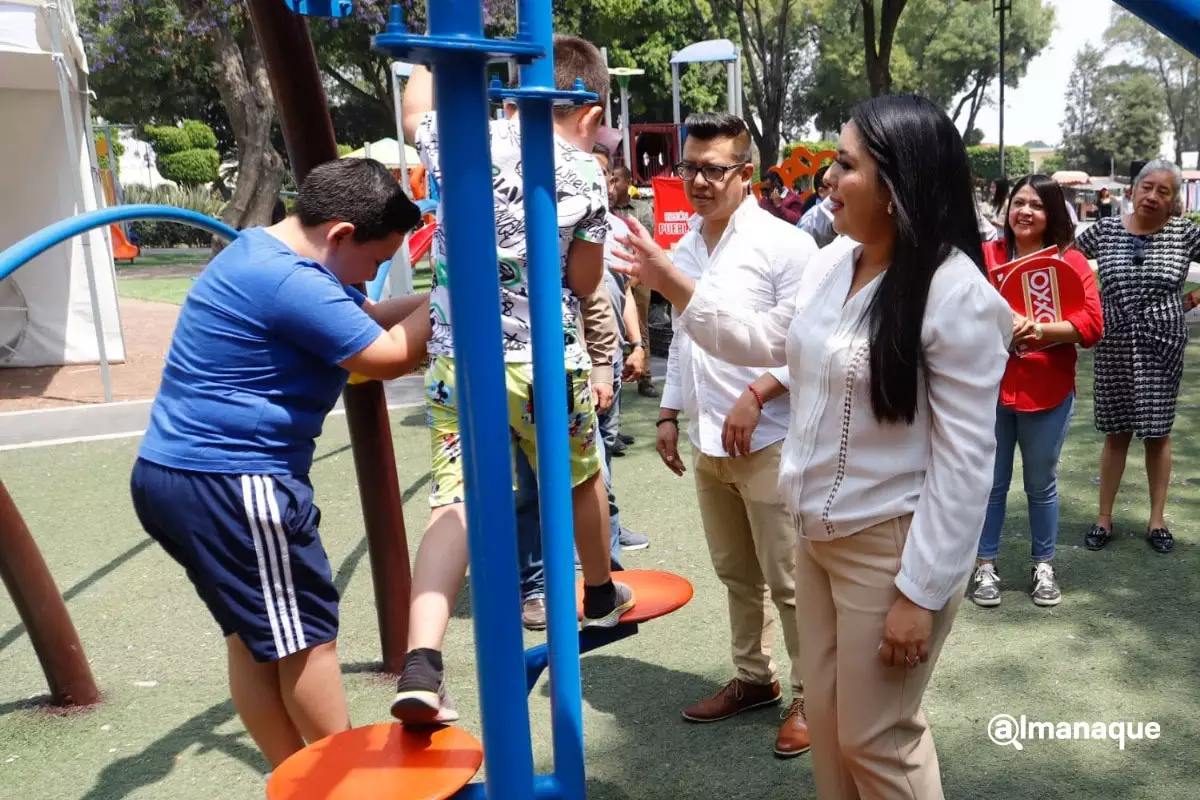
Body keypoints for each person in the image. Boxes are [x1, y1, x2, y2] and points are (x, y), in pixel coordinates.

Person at [615, 94, 1011, 799]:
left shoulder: (957, 296)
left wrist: (918, 594)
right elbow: (767, 341)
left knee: (876, 737)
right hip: (818, 537)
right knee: (828, 725)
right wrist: (669, 279)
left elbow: (965, 466)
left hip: (891, 549)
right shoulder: (835, 263)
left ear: (898, 184)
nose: (827, 178)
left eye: (845, 163)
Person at [129, 158, 428, 768]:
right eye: (375, 263)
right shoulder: (291, 280)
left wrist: (431, 299)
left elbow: (361, 322)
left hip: (177, 475)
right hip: (236, 483)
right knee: (309, 643)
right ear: (340, 233)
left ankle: (298, 778)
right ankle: (345, 782)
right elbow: (387, 357)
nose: (372, 279)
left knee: (257, 639)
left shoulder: (260, 253)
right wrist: (471, 294)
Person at [391, 36, 636, 725]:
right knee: (580, 474)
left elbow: (416, 110)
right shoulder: (585, 172)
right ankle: (596, 588)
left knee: (455, 501)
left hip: (460, 361)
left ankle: (422, 661)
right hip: (546, 359)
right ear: (589, 109)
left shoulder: (462, 139)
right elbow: (586, 281)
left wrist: (435, 55)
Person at [656, 112, 818, 758]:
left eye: (713, 168)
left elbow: (804, 343)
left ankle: (812, 693)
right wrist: (670, 412)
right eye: (689, 166)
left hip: (773, 437)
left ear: (745, 173)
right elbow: (687, 342)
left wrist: (760, 392)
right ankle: (756, 679)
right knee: (735, 573)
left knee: (790, 580)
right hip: (708, 441)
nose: (698, 180)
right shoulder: (687, 245)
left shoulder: (787, 245)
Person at [515, 146, 650, 632]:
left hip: (584, 365)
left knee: (596, 469)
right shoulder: (530, 220)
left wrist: (608, 362)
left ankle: (602, 569)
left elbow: (609, 297)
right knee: (531, 486)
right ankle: (536, 586)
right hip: (539, 367)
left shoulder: (604, 227)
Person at [969, 175, 1104, 609]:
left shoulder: (1072, 261)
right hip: (990, 389)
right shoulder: (984, 256)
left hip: (1048, 390)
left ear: (1052, 214)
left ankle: (1043, 564)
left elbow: (1091, 325)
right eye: (1018, 203)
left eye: (1037, 205)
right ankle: (984, 566)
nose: (1025, 211)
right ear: (1007, 210)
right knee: (991, 483)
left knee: (1041, 484)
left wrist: (1039, 328)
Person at [1075, 159, 1200, 555]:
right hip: (1113, 341)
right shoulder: (1107, 229)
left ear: (1173, 199)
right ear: (1132, 189)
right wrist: (1089, 308)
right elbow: (1067, 265)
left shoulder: (1184, 233)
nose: (1153, 196)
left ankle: (1157, 520)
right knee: (1116, 432)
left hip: (1163, 342)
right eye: (1147, 187)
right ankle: (1104, 518)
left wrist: (1190, 300)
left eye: (1164, 191)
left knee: (1157, 432)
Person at [610, 164, 660, 399]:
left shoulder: (640, 209)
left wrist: (636, 275)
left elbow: (646, 242)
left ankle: (646, 377)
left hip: (637, 276)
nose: (613, 185)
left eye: (617, 180)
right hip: (609, 274)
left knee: (640, 326)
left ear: (628, 182)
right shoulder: (602, 209)